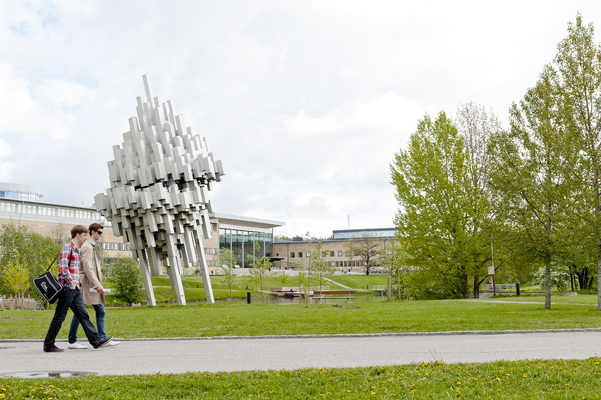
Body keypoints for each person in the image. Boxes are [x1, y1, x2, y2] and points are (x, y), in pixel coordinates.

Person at [43, 225, 112, 352]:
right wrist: (71, 282)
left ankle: (96, 341)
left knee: (83, 315)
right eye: (84, 235)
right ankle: (48, 344)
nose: (86, 237)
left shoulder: (76, 250)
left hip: (75, 288)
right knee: (60, 316)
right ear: (77, 235)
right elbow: (63, 269)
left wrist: (76, 284)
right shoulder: (67, 248)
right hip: (68, 288)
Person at [67, 223, 120, 349]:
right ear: (92, 232)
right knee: (81, 312)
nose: (101, 235)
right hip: (87, 284)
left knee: (92, 311)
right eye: (99, 232)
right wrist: (96, 284)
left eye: (102, 232)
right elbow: (88, 267)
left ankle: (101, 337)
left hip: (90, 283)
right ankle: (73, 340)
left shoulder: (92, 246)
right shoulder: (87, 247)